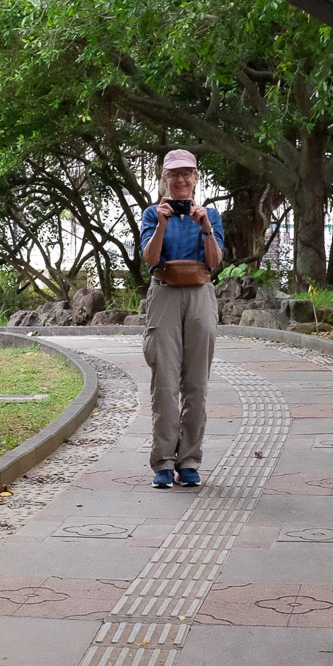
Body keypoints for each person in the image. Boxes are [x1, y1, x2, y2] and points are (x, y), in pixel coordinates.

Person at [139, 149, 224, 489]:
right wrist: (161, 224)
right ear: (165, 179)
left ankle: (189, 460)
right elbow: (150, 258)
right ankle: (163, 462)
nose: (181, 180)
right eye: (174, 174)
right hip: (164, 295)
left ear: (196, 178)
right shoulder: (151, 214)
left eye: (187, 173)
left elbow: (215, 261)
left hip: (201, 295)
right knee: (164, 382)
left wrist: (205, 227)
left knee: (196, 384)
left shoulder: (210, 215)